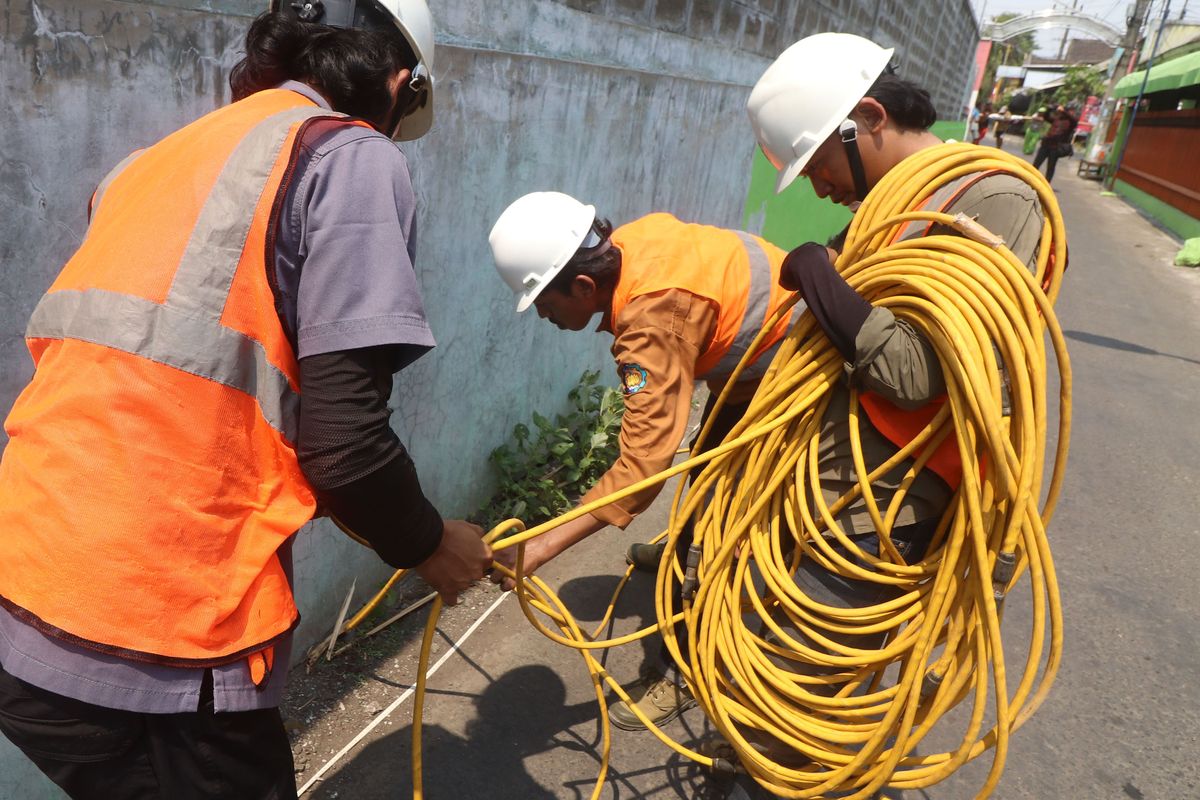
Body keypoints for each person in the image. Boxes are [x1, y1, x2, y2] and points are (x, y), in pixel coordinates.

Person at [0, 2, 493, 798]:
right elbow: (348, 450)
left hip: (23, 596)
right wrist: (434, 546)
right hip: (157, 634)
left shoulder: (154, 160)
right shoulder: (349, 156)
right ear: (400, 83)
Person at [724, 31, 1054, 796]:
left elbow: (916, 372)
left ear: (867, 117)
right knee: (771, 661)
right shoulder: (890, 207)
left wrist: (820, 276)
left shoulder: (994, 200)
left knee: (802, 699)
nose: (816, 189)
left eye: (817, 166)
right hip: (830, 478)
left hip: (890, 502)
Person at [487, 192, 803, 730]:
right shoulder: (628, 245)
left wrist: (539, 547)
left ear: (583, 286)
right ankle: (683, 549)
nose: (542, 314)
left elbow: (642, 467)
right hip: (761, 350)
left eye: (544, 301)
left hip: (792, 364)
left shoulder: (652, 321)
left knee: (721, 527)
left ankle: (685, 670)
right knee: (706, 474)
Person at [1033, 104, 1078, 183]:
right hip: (1046, 144)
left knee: (1050, 167)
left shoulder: (1071, 123)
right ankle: (1030, 180)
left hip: (1056, 147)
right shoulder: (1057, 119)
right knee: (1036, 164)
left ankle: (1047, 184)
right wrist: (1049, 109)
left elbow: (1073, 119)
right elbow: (1046, 117)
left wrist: (1063, 111)